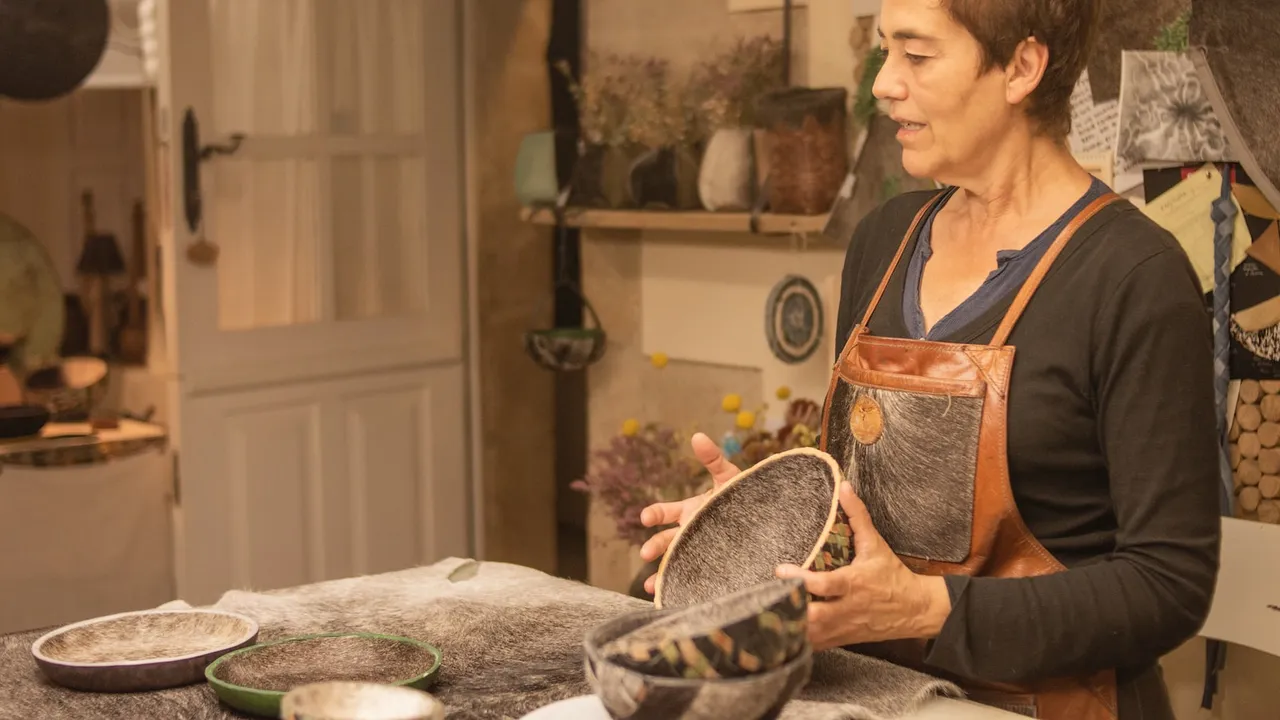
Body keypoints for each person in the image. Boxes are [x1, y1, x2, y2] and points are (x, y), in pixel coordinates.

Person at [637, 1, 1222, 718]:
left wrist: (921, 610)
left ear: (1022, 68)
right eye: (887, 53)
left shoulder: (1133, 277)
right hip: (869, 695)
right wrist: (759, 529)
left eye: (916, 56)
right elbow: (869, 510)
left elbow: (1169, 585)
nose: (884, 84)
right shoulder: (883, 243)